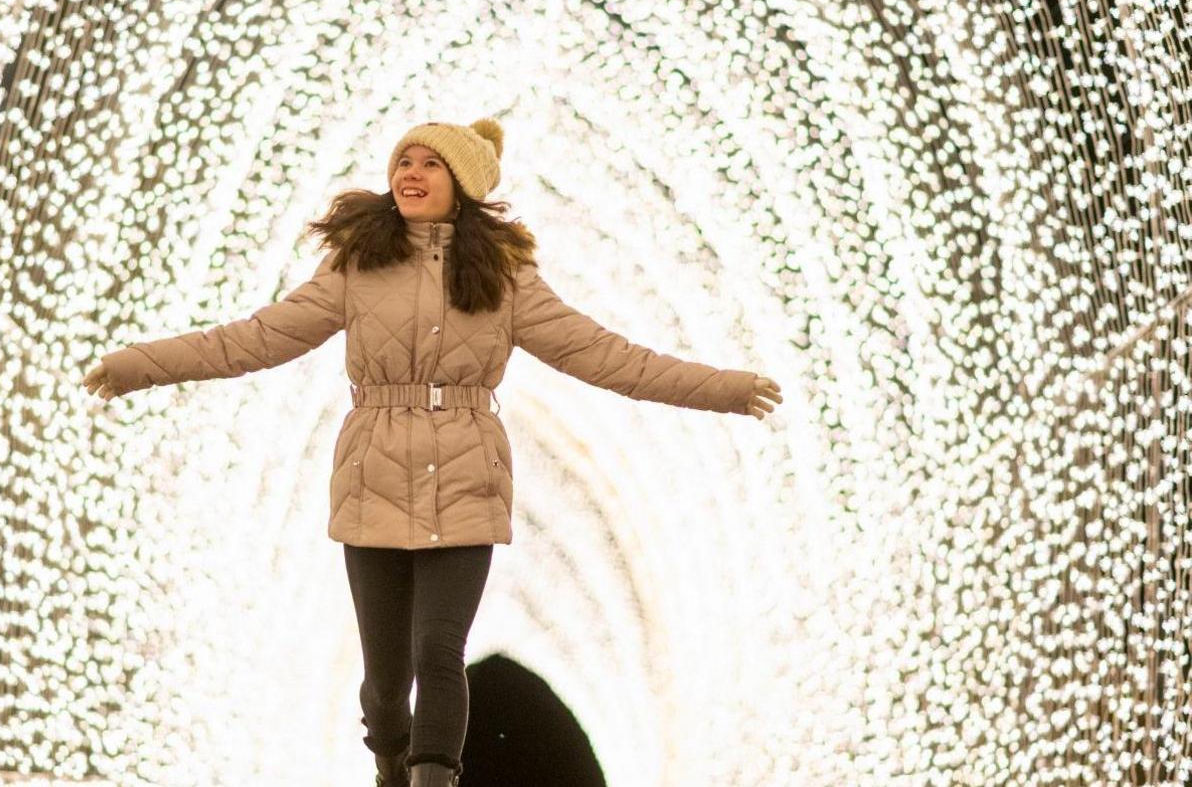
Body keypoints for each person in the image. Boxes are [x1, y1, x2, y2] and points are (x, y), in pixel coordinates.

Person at [82, 117, 783, 787]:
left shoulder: (505, 279)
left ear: (465, 186)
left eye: (431, 164)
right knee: (386, 683)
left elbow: (606, 356)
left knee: (438, 652)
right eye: (404, 162)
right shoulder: (356, 267)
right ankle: (392, 763)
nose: (411, 173)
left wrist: (723, 389)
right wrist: (136, 365)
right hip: (373, 479)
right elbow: (253, 338)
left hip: (466, 477)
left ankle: (432, 778)